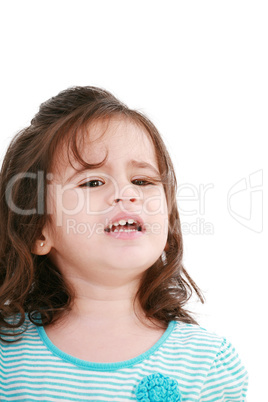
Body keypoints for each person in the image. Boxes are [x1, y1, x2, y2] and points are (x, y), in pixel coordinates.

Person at [0, 86, 248, 401]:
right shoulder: (7, 358)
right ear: (39, 231)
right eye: (92, 182)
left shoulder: (206, 362)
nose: (127, 193)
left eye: (142, 181)